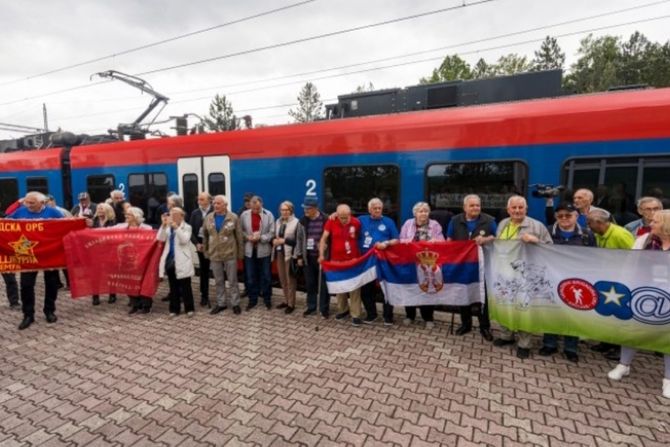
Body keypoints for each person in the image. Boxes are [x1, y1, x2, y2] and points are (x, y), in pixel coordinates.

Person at [607, 210, 670, 399]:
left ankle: (668, 379)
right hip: (642, 292)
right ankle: (624, 365)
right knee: (633, 330)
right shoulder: (644, 240)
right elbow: (630, 263)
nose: (651, 223)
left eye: (656, 221)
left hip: (667, 295)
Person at [492, 195, 553, 359]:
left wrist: (536, 240)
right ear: (508, 210)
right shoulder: (503, 224)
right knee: (505, 304)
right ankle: (506, 336)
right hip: (504, 273)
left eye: (521, 207)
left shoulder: (536, 225)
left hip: (525, 275)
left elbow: (551, 248)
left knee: (523, 308)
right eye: (514, 208)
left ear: (526, 209)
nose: (517, 211)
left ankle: (524, 344)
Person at [539, 202, 596, 363]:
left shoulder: (586, 235)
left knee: (573, 314)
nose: (564, 218)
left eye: (568, 215)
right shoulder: (548, 232)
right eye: (560, 215)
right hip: (552, 279)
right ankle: (549, 343)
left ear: (576, 216)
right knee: (551, 312)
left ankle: (571, 348)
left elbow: (593, 258)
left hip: (576, 281)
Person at [7, 192, 64, 330]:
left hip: (49, 254)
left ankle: (49, 311)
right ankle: (28, 315)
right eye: (27, 202)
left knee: (51, 284)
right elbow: (7, 224)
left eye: (32, 203)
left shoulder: (54, 212)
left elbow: (66, 226)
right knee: (26, 285)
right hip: (28, 254)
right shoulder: (20, 212)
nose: (28, 205)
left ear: (42, 202)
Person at [446, 194, 496, 340]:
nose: (475, 208)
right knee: (464, 294)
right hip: (462, 265)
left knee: (483, 297)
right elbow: (449, 240)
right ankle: (465, 324)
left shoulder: (489, 220)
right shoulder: (455, 221)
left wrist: (486, 239)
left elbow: (496, 237)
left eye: (478, 205)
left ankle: (484, 327)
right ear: (465, 207)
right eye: (472, 205)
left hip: (483, 265)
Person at [587, 208, 636, 359]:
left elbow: (635, 257)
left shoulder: (621, 235)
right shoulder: (599, 234)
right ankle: (607, 342)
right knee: (607, 313)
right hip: (608, 279)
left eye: (590, 223)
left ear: (600, 223)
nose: (588, 225)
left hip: (622, 280)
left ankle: (619, 348)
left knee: (619, 315)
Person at [399, 201, 444, 329]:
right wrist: (412, 242)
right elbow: (400, 240)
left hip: (427, 263)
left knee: (427, 289)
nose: (423, 213)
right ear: (415, 213)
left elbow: (443, 241)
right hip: (410, 262)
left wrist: (435, 241)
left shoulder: (435, 225)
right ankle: (410, 316)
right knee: (410, 289)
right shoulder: (408, 223)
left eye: (425, 211)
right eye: (420, 211)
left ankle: (428, 318)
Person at [319, 204, 363, 326]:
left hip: (353, 260)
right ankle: (343, 310)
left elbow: (360, 237)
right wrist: (321, 255)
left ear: (350, 214)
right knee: (340, 287)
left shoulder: (356, 223)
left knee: (354, 288)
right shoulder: (331, 221)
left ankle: (356, 314)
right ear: (337, 215)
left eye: (346, 217)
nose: (344, 220)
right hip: (336, 261)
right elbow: (323, 238)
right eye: (341, 217)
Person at [358, 198, 399, 325]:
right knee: (366, 289)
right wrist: (335, 214)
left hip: (384, 261)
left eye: (379, 208)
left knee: (386, 288)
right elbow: (346, 220)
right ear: (369, 209)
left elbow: (397, 240)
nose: (377, 210)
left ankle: (388, 316)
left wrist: (386, 243)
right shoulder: (361, 220)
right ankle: (372, 314)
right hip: (367, 262)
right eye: (374, 208)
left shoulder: (388, 221)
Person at [203, 195, 244, 315]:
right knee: (218, 280)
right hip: (215, 254)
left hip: (229, 254)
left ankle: (235, 303)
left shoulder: (233, 217)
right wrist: (206, 251)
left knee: (232, 280)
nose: (215, 205)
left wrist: (240, 254)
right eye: (214, 203)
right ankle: (221, 303)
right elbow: (205, 236)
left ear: (225, 205)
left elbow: (239, 237)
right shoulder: (209, 218)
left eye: (218, 203)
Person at [114, 207, 154, 314]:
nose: (126, 216)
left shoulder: (147, 228)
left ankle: (146, 304)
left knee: (143, 282)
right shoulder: (121, 227)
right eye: (126, 214)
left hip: (142, 259)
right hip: (126, 260)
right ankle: (135, 303)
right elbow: (106, 231)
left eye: (129, 215)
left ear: (136, 216)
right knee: (129, 281)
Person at [158, 207, 195, 317]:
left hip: (182, 260)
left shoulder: (187, 227)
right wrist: (164, 226)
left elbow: (184, 240)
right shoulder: (168, 227)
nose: (172, 216)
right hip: (170, 259)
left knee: (185, 286)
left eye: (175, 214)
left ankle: (189, 308)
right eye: (171, 214)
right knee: (173, 286)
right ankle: (174, 309)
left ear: (182, 216)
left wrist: (176, 227)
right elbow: (161, 239)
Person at [297, 197, 330, 319]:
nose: (305, 210)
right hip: (308, 258)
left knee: (323, 285)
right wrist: (299, 256)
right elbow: (299, 239)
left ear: (315, 208)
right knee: (310, 284)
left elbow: (331, 238)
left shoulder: (325, 219)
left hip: (322, 258)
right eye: (304, 207)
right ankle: (311, 307)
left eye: (308, 208)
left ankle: (323, 309)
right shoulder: (302, 221)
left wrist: (326, 246)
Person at [240, 196, 275, 310]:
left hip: (264, 250)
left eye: (258, 208)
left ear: (262, 204)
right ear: (250, 205)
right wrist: (248, 237)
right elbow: (240, 231)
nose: (255, 210)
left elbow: (272, 232)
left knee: (266, 276)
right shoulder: (244, 215)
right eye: (253, 208)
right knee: (250, 276)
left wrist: (261, 238)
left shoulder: (268, 215)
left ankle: (267, 299)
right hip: (249, 251)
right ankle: (252, 299)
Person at [272, 201, 301, 314]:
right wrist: (274, 241)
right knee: (282, 279)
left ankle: (291, 304)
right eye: (282, 210)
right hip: (279, 253)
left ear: (291, 211)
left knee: (290, 281)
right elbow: (276, 236)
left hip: (290, 255)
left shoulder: (296, 222)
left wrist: (284, 241)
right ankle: (285, 300)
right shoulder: (278, 221)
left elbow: (298, 241)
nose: (284, 212)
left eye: (286, 210)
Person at [90, 203, 117, 305]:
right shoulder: (94, 221)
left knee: (111, 274)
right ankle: (95, 296)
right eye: (98, 209)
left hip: (109, 251)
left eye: (101, 209)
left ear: (107, 210)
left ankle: (112, 294)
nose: (99, 210)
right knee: (96, 275)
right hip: (96, 251)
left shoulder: (113, 222)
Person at [189, 192, 213, 307]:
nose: (199, 202)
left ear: (209, 200)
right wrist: (196, 244)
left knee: (218, 271)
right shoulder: (195, 213)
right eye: (198, 200)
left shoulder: (215, 211)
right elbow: (191, 231)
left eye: (202, 199)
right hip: (201, 247)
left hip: (214, 246)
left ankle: (221, 295)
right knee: (204, 271)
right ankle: (204, 295)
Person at [237, 192, 254, 298]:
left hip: (257, 244)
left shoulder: (260, 210)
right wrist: (246, 237)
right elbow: (239, 229)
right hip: (246, 245)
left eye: (249, 201)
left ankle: (257, 289)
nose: (247, 203)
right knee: (247, 270)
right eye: (246, 201)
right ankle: (247, 289)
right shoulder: (241, 212)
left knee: (257, 269)